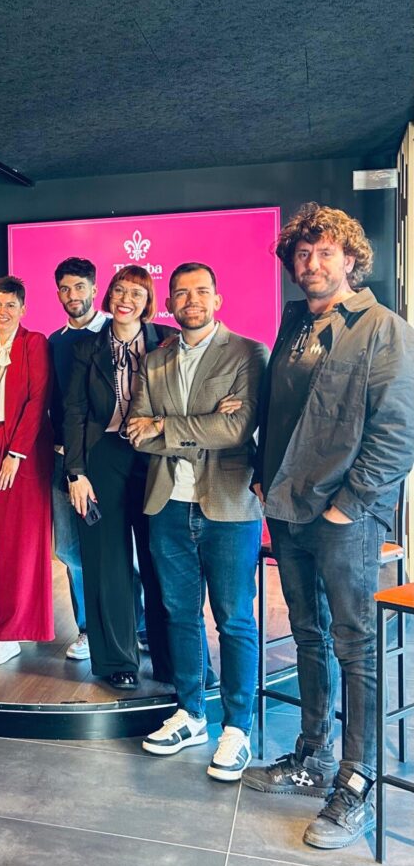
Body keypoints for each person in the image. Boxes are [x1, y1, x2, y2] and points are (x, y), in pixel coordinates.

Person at [243, 203, 414, 848]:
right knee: (307, 635)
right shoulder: (295, 324)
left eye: (324, 253)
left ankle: (356, 782)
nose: (311, 264)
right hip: (287, 508)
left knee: (355, 644)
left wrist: (350, 503)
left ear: (350, 259)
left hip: (345, 517)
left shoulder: (383, 328)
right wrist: (263, 475)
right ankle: (313, 755)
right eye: (302, 254)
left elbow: (398, 432)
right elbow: (279, 411)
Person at [128, 262, 267, 781]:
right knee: (179, 613)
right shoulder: (155, 359)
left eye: (201, 291)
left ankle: (237, 727)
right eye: (182, 293)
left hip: (228, 504)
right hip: (168, 504)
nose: (191, 301)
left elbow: (237, 429)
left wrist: (164, 425)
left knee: (234, 619)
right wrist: (202, 424)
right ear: (168, 303)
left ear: (217, 299)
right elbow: (136, 431)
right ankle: (191, 713)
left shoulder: (248, 353)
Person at [63, 265, 175, 690]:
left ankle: (172, 660)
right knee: (106, 561)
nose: (126, 300)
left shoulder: (166, 341)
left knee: (161, 559)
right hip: (102, 457)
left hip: (155, 456)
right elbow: (74, 413)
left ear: (148, 302)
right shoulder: (86, 348)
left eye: (137, 293)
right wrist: (75, 473)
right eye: (120, 291)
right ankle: (117, 661)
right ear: (108, 296)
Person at [0, 275, 54, 666]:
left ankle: (11, 633)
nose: (2, 312)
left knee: (16, 543)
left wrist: (15, 453)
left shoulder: (34, 343)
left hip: (19, 450)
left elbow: (38, 400)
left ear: (23, 309)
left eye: (10, 305)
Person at [47, 257, 108, 662]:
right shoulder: (54, 342)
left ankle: (134, 626)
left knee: (119, 550)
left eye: (80, 287)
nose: (73, 295)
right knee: (70, 551)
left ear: (94, 288)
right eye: (66, 289)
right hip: (63, 461)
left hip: (106, 461)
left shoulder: (114, 332)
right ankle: (87, 628)